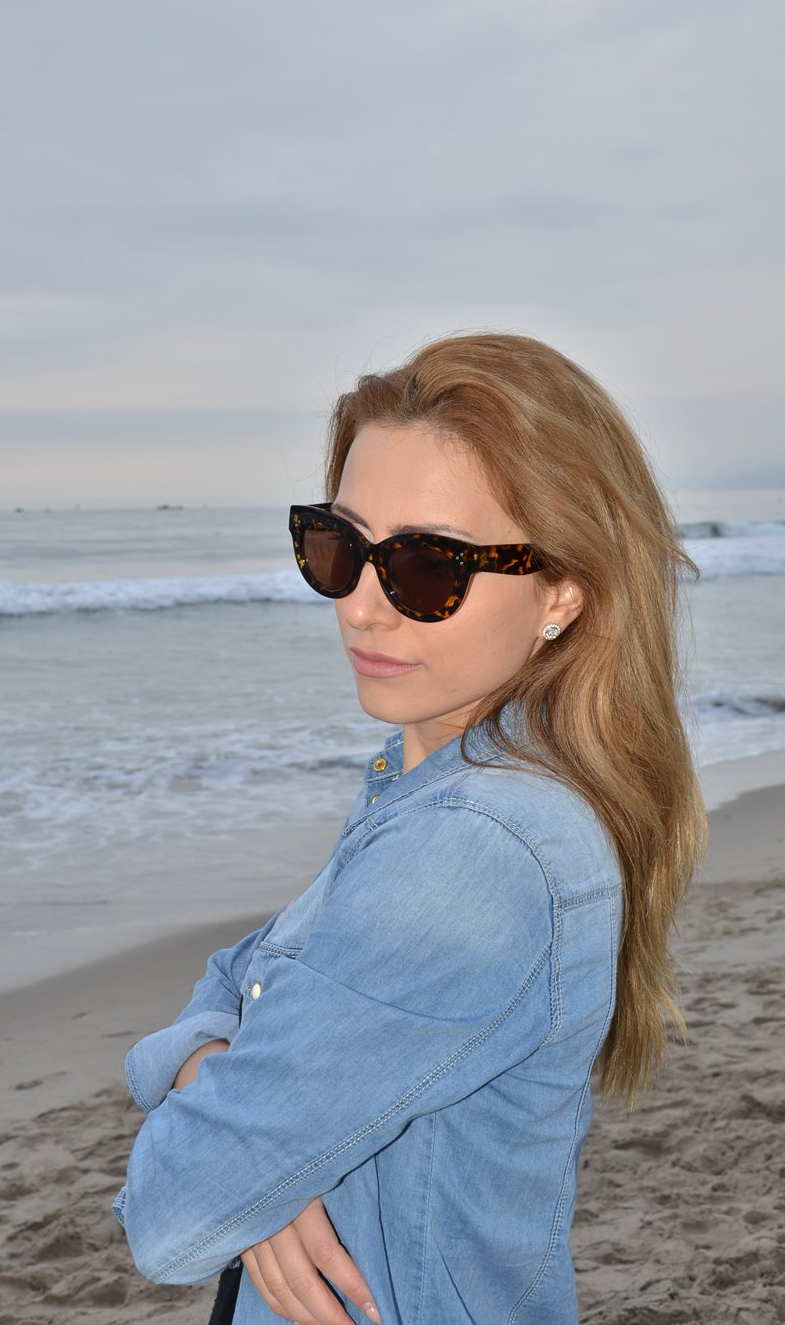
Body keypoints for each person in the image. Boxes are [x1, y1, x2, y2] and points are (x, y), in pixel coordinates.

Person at [112, 333, 708, 1324]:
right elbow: (238, 973)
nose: (360, 607)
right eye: (339, 547)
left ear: (563, 591)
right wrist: (214, 1075)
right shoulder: (434, 782)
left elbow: (172, 1211)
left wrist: (239, 1153)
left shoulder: (476, 846)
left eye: (428, 568)